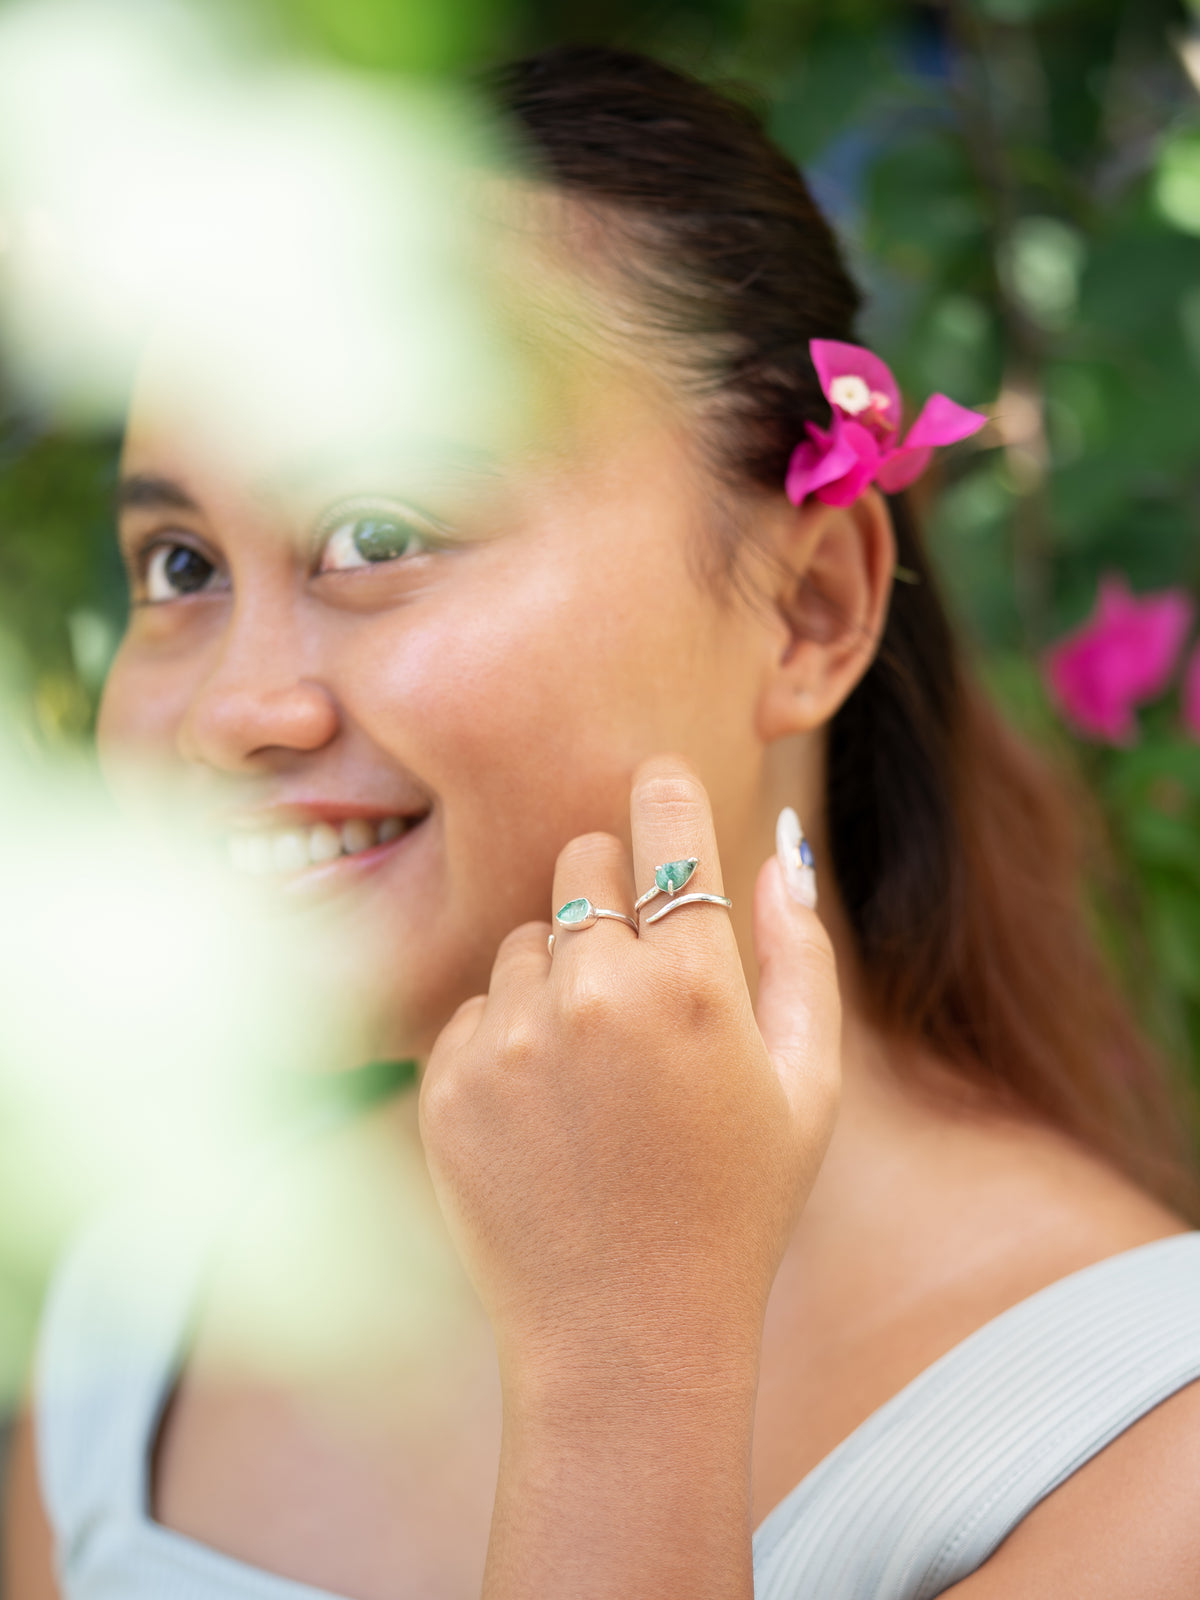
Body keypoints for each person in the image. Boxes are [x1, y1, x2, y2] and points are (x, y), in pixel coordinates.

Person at [7, 42, 1200, 1600]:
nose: (236, 709)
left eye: (381, 533)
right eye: (182, 566)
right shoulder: (152, 1314)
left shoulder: (1142, 1460)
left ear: (808, 612)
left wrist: (623, 1371)